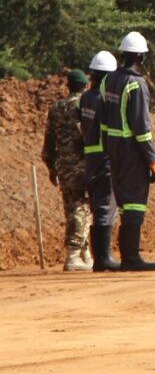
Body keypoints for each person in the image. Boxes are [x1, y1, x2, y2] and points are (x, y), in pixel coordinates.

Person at [100, 31, 155, 271]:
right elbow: (141, 128)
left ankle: (128, 256)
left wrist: (107, 146)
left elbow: (103, 119)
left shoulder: (107, 80)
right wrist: (153, 159)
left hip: (112, 147)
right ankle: (131, 258)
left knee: (124, 202)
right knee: (134, 203)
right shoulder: (136, 83)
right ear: (141, 58)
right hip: (130, 149)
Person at [41, 69, 91, 271]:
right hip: (81, 164)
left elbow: (48, 140)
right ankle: (73, 254)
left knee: (71, 208)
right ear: (85, 85)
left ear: (68, 85)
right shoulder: (84, 105)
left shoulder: (56, 107)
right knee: (82, 208)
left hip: (63, 165)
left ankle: (84, 252)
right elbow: (88, 135)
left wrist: (51, 167)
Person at [78, 50, 120, 272]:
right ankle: (103, 259)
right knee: (105, 206)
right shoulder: (105, 99)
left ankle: (101, 257)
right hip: (104, 157)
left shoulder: (85, 96)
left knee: (97, 207)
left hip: (90, 157)